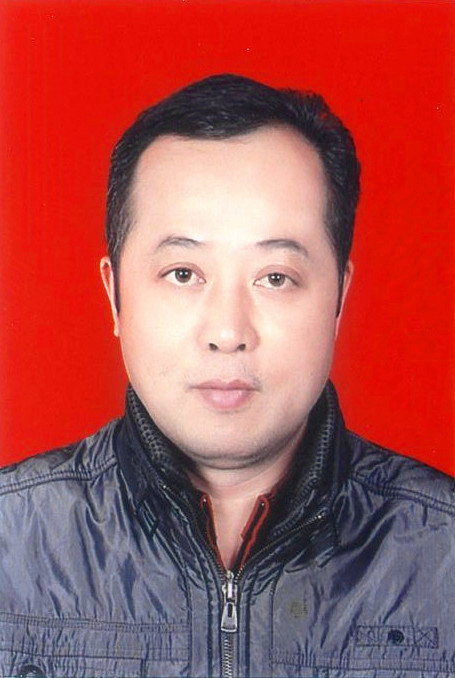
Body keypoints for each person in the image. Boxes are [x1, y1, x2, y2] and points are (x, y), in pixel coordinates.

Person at [0, 74, 454, 678]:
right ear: (115, 296)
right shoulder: (12, 544)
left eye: (275, 277)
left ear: (338, 299)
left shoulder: (442, 551)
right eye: (183, 273)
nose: (228, 331)